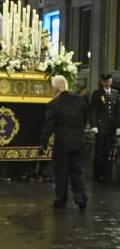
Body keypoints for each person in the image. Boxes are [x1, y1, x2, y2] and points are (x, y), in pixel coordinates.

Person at [39, 75, 89, 210]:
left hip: (62, 144)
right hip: (78, 141)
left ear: (55, 87)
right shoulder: (80, 100)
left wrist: (43, 142)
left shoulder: (54, 104)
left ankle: (61, 200)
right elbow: (85, 120)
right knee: (77, 170)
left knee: (61, 172)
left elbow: (49, 126)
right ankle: (81, 198)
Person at [90, 73, 120, 182]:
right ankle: (97, 173)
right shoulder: (97, 94)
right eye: (106, 81)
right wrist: (93, 125)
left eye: (110, 81)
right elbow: (93, 110)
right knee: (100, 151)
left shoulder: (115, 93)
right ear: (102, 82)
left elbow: (117, 111)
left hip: (111, 126)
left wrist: (118, 126)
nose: (108, 83)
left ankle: (106, 173)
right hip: (101, 125)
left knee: (109, 151)